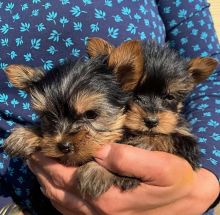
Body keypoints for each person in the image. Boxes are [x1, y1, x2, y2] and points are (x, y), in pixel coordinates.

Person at [0, 0, 219, 214]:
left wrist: (205, 183)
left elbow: (212, 80)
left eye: (90, 114)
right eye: (137, 96)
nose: (150, 113)